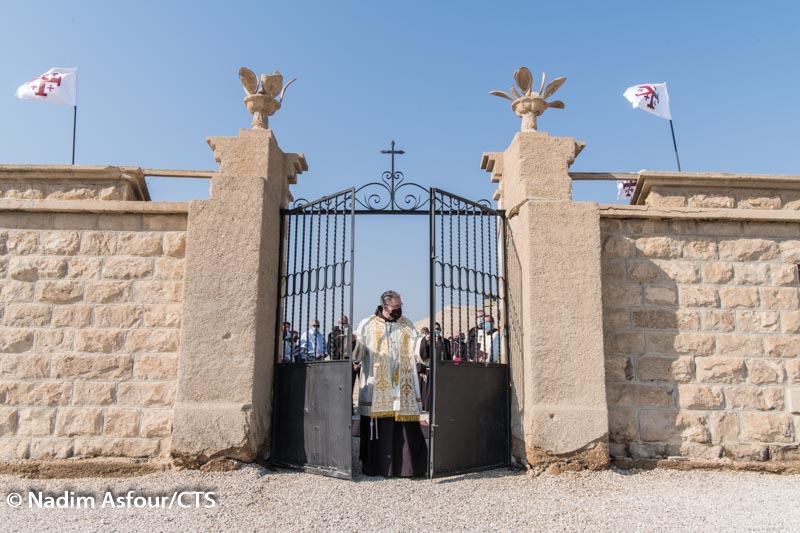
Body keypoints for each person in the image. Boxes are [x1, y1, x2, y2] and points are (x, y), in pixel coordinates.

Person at [353, 290, 428, 477]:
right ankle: (377, 466)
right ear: (384, 307)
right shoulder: (368, 324)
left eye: (401, 306)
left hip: (403, 384)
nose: (399, 310)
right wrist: (353, 342)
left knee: (406, 429)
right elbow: (358, 353)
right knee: (379, 426)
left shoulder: (406, 323)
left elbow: (417, 346)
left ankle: (408, 468)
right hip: (377, 384)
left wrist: (425, 342)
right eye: (396, 307)